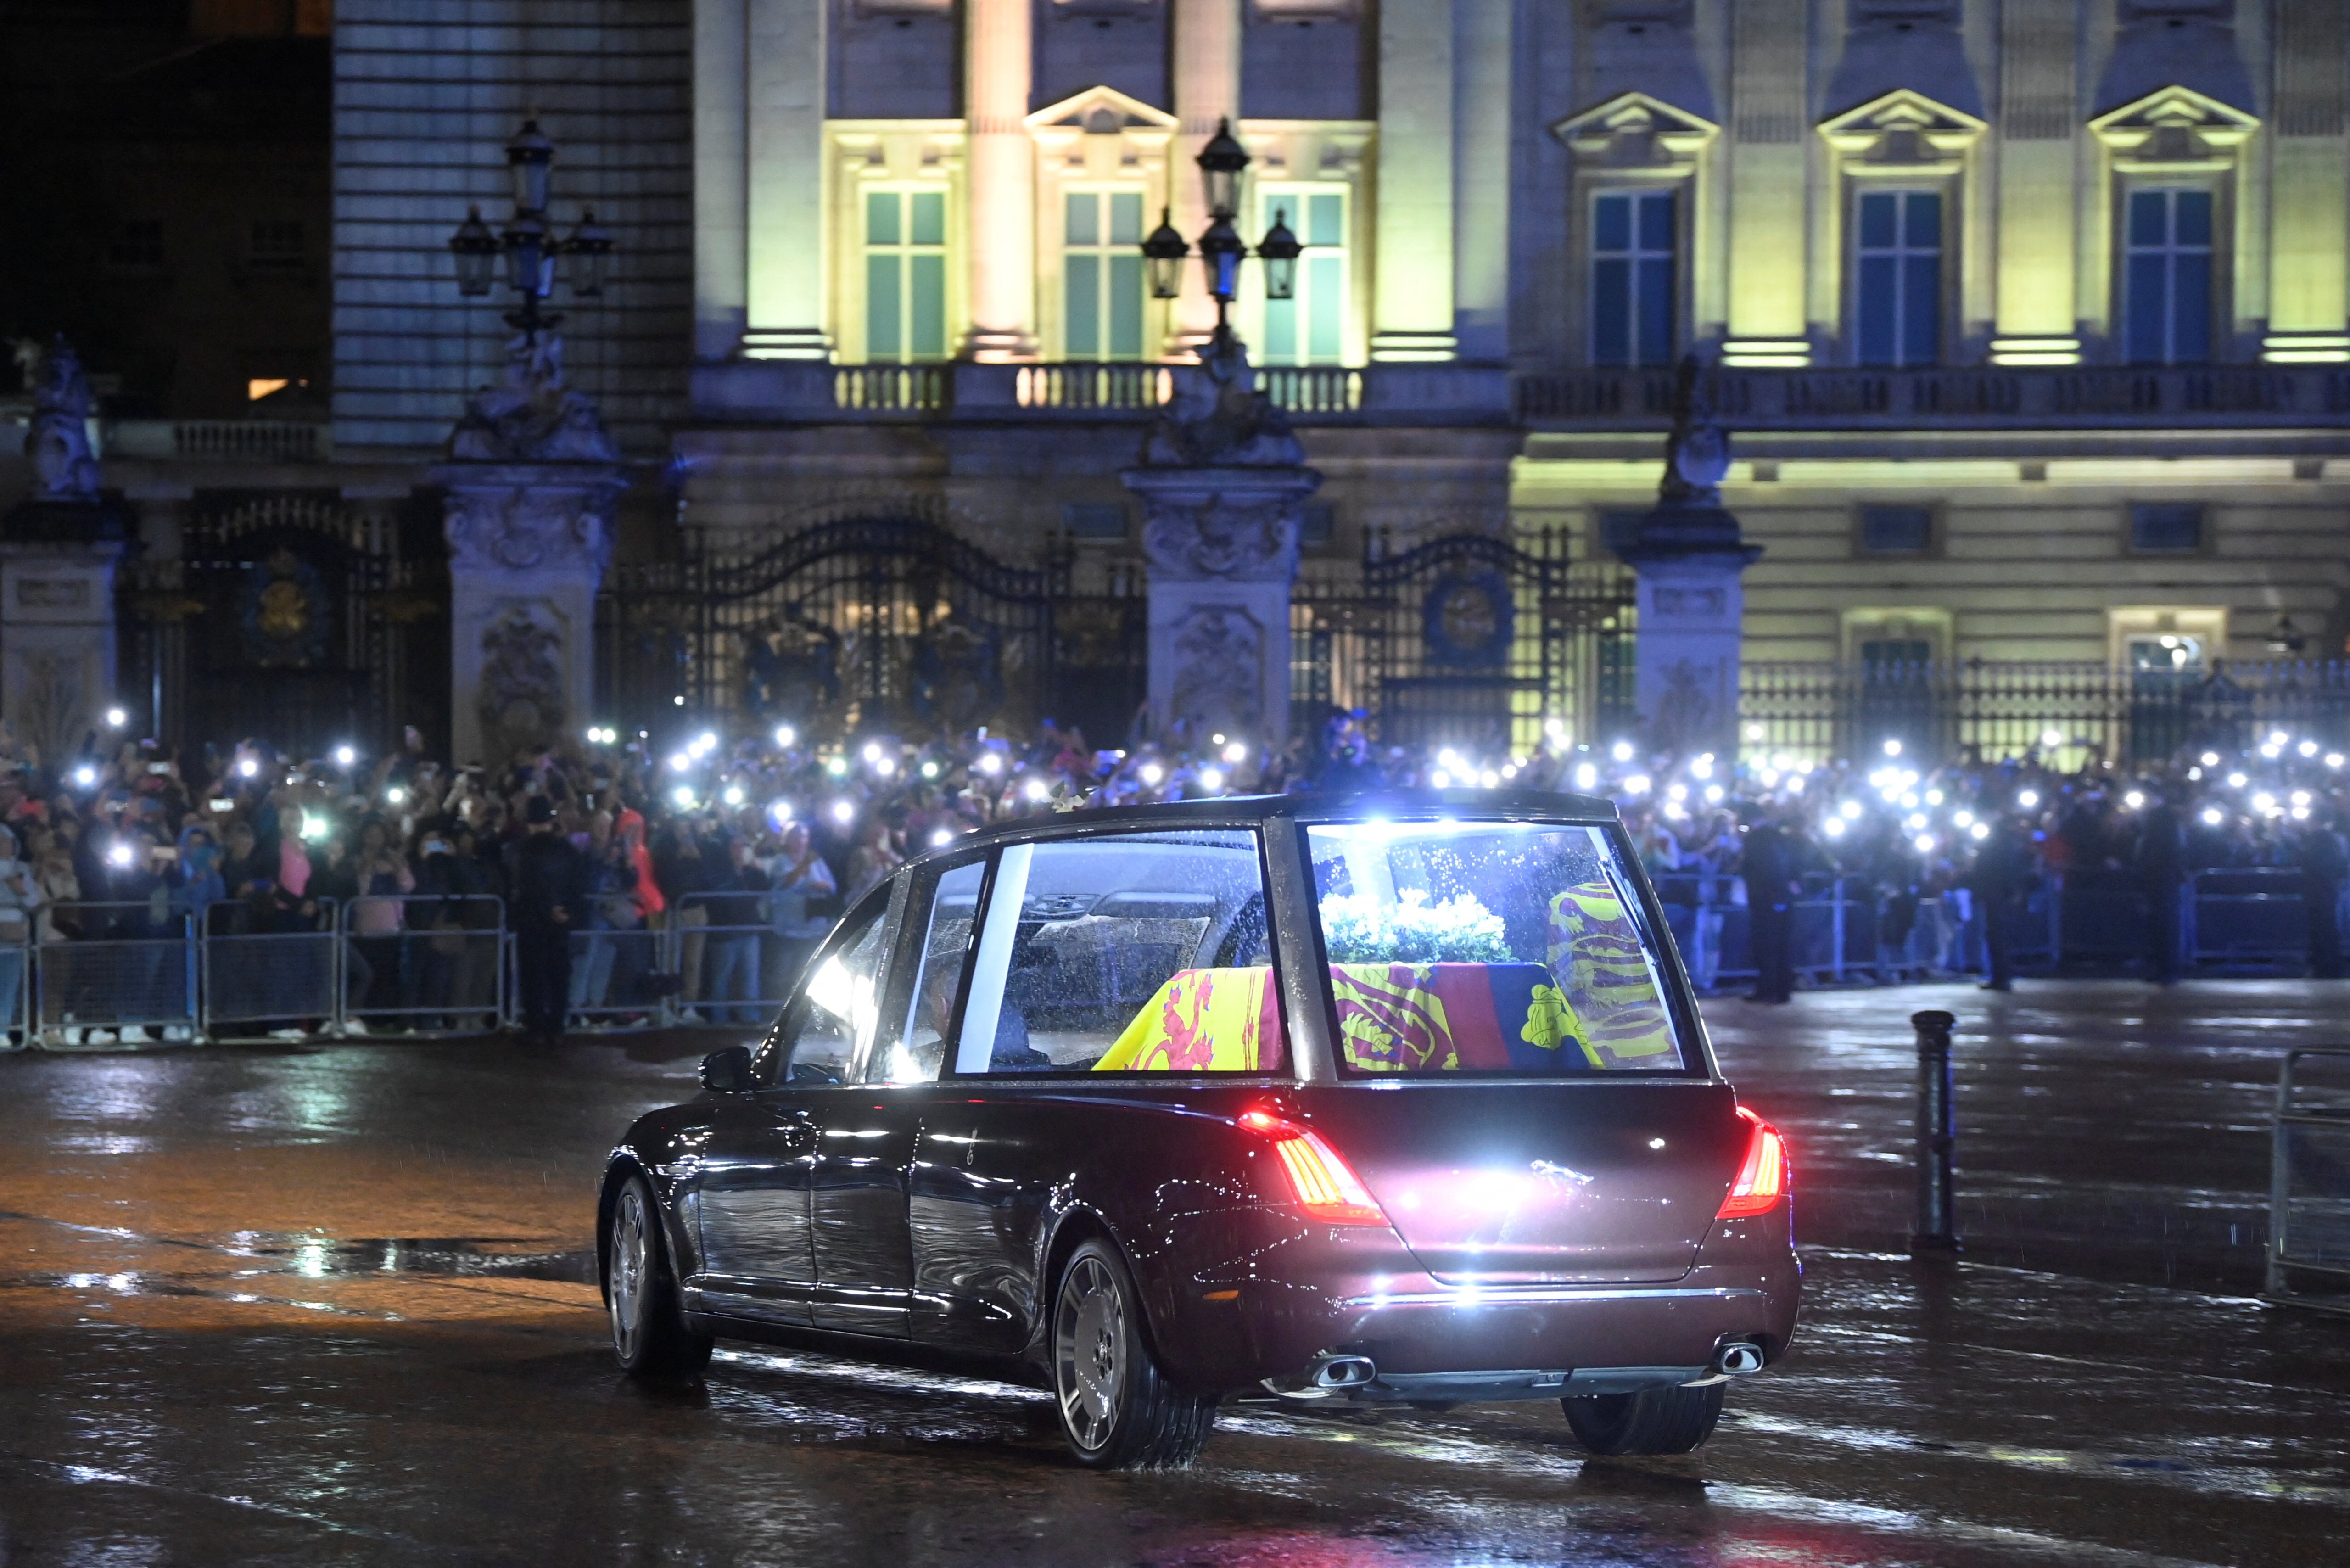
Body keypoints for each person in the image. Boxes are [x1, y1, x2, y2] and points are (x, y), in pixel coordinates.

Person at [510, 795, 588, 1046]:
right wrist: (566, 912)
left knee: (534, 976)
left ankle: (536, 1028)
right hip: (560, 923)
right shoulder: (567, 849)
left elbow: (525, 887)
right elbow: (579, 885)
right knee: (559, 976)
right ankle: (556, 1027)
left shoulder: (524, 850)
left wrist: (546, 909)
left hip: (533, 922)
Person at [1739, 806, 1801, 1003]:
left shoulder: (1757, 841)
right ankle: (1783, 989)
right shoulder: (1780, 838)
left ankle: (1768, 988)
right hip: (1782, 898)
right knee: (1783, 944)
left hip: (1766, 899)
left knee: (1766, 945)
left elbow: (1762, 870)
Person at [1967, 813, 2032, 992]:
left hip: (1994, 893)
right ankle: (2001, 976)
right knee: (1999, 936)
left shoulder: (1995, 845)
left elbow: (1985, 868)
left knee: (1996, 935)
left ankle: (2000, 977)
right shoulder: (2010, 844)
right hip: (2000, 893)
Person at [2133, 790, 2188, 986]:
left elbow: (2154, 852)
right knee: (2161, 926)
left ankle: (2166, 968)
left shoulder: (2159, 820)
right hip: (2161, 880)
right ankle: (2164, 967)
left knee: (2163, 926)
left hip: (2160, 880)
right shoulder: (2164, 820)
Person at [2298, 810, 2348, 980]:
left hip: (2319, 893)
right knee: (2326, 931)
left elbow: (2314, 866)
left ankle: (2326, 969)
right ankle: (2328, 968)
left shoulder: (2318, 841)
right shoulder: (2331, 841)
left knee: (2322, 932)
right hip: (2326, 892)